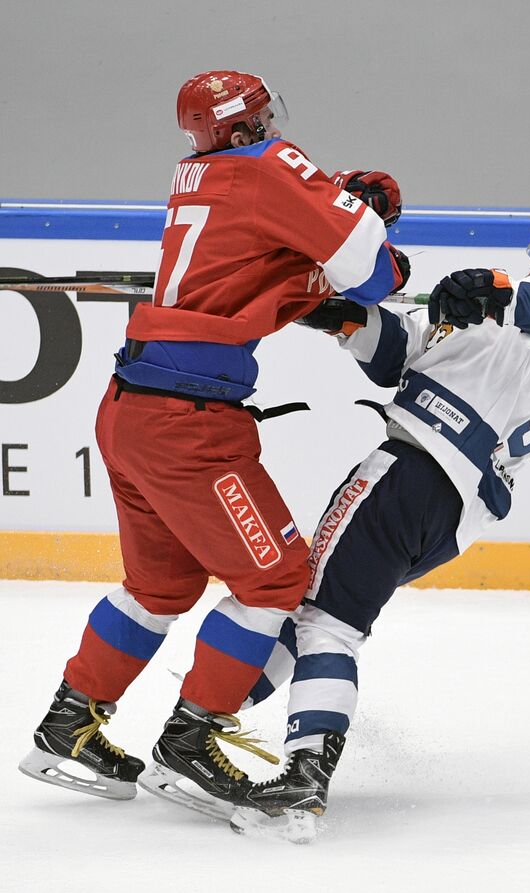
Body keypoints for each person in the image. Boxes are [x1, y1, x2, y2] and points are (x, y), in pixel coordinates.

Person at [18, 70, 411, 818]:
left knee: (159, 588)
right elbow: (375, 274)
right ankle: (189, 743)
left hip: (130, 408)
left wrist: (339, 211)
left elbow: (267, 266)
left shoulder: (197, 179)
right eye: (260, 118)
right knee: (275, 578)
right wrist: (363, 216)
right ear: (240, 128)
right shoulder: (270, 167)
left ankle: (69, 724)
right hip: (188, 424)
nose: (271, 127)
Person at [228, 214, 530, 843]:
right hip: (451, 508)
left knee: (324, 620)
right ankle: (215, 716)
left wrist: (493, 286)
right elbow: (404, 354)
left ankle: (296, 776)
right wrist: (341, 317)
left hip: (418, 470)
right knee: (319, 604)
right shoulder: (515, 336)